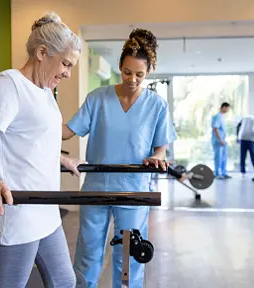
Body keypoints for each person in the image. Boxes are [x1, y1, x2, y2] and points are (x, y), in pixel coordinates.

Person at [0, 11, 84, 288]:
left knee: (64, 281)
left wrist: (60, 158)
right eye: (65, 63)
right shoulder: (9, 85)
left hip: (45, 209)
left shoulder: (44, 91)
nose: (67, 72)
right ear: (42, 52)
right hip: (17, 212)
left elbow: (32, 138)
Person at [63, 28, 176, 288]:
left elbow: (161, 148)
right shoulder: (97, 98)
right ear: (120, 67)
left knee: (128, 257)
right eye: (127, 72)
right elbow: (67, 132)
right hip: (96, 188)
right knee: (88, 254)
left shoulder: (157, 106)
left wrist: (156, 157)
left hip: (134, 190)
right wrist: (37, 118)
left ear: (149, 72)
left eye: (139, 74)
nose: (132, 79)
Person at [236, 114, 254, 180]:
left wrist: (237, 136)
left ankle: (242, 172)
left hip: (242, 137)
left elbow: (238, 126)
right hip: (252, 138)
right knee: (253, 155)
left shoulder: (244, 117)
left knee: (242, 156)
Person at [211, 102, 231, 179]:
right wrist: (220, 140)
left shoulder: (222, 117)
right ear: (223, 107)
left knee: (223, 157)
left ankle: (223, 172)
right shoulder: (217, 117)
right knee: (218, 157)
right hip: (218, 141)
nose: (227, 110)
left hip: (222, 140)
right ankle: (217, 173)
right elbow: (215, 129)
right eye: (227, 108)